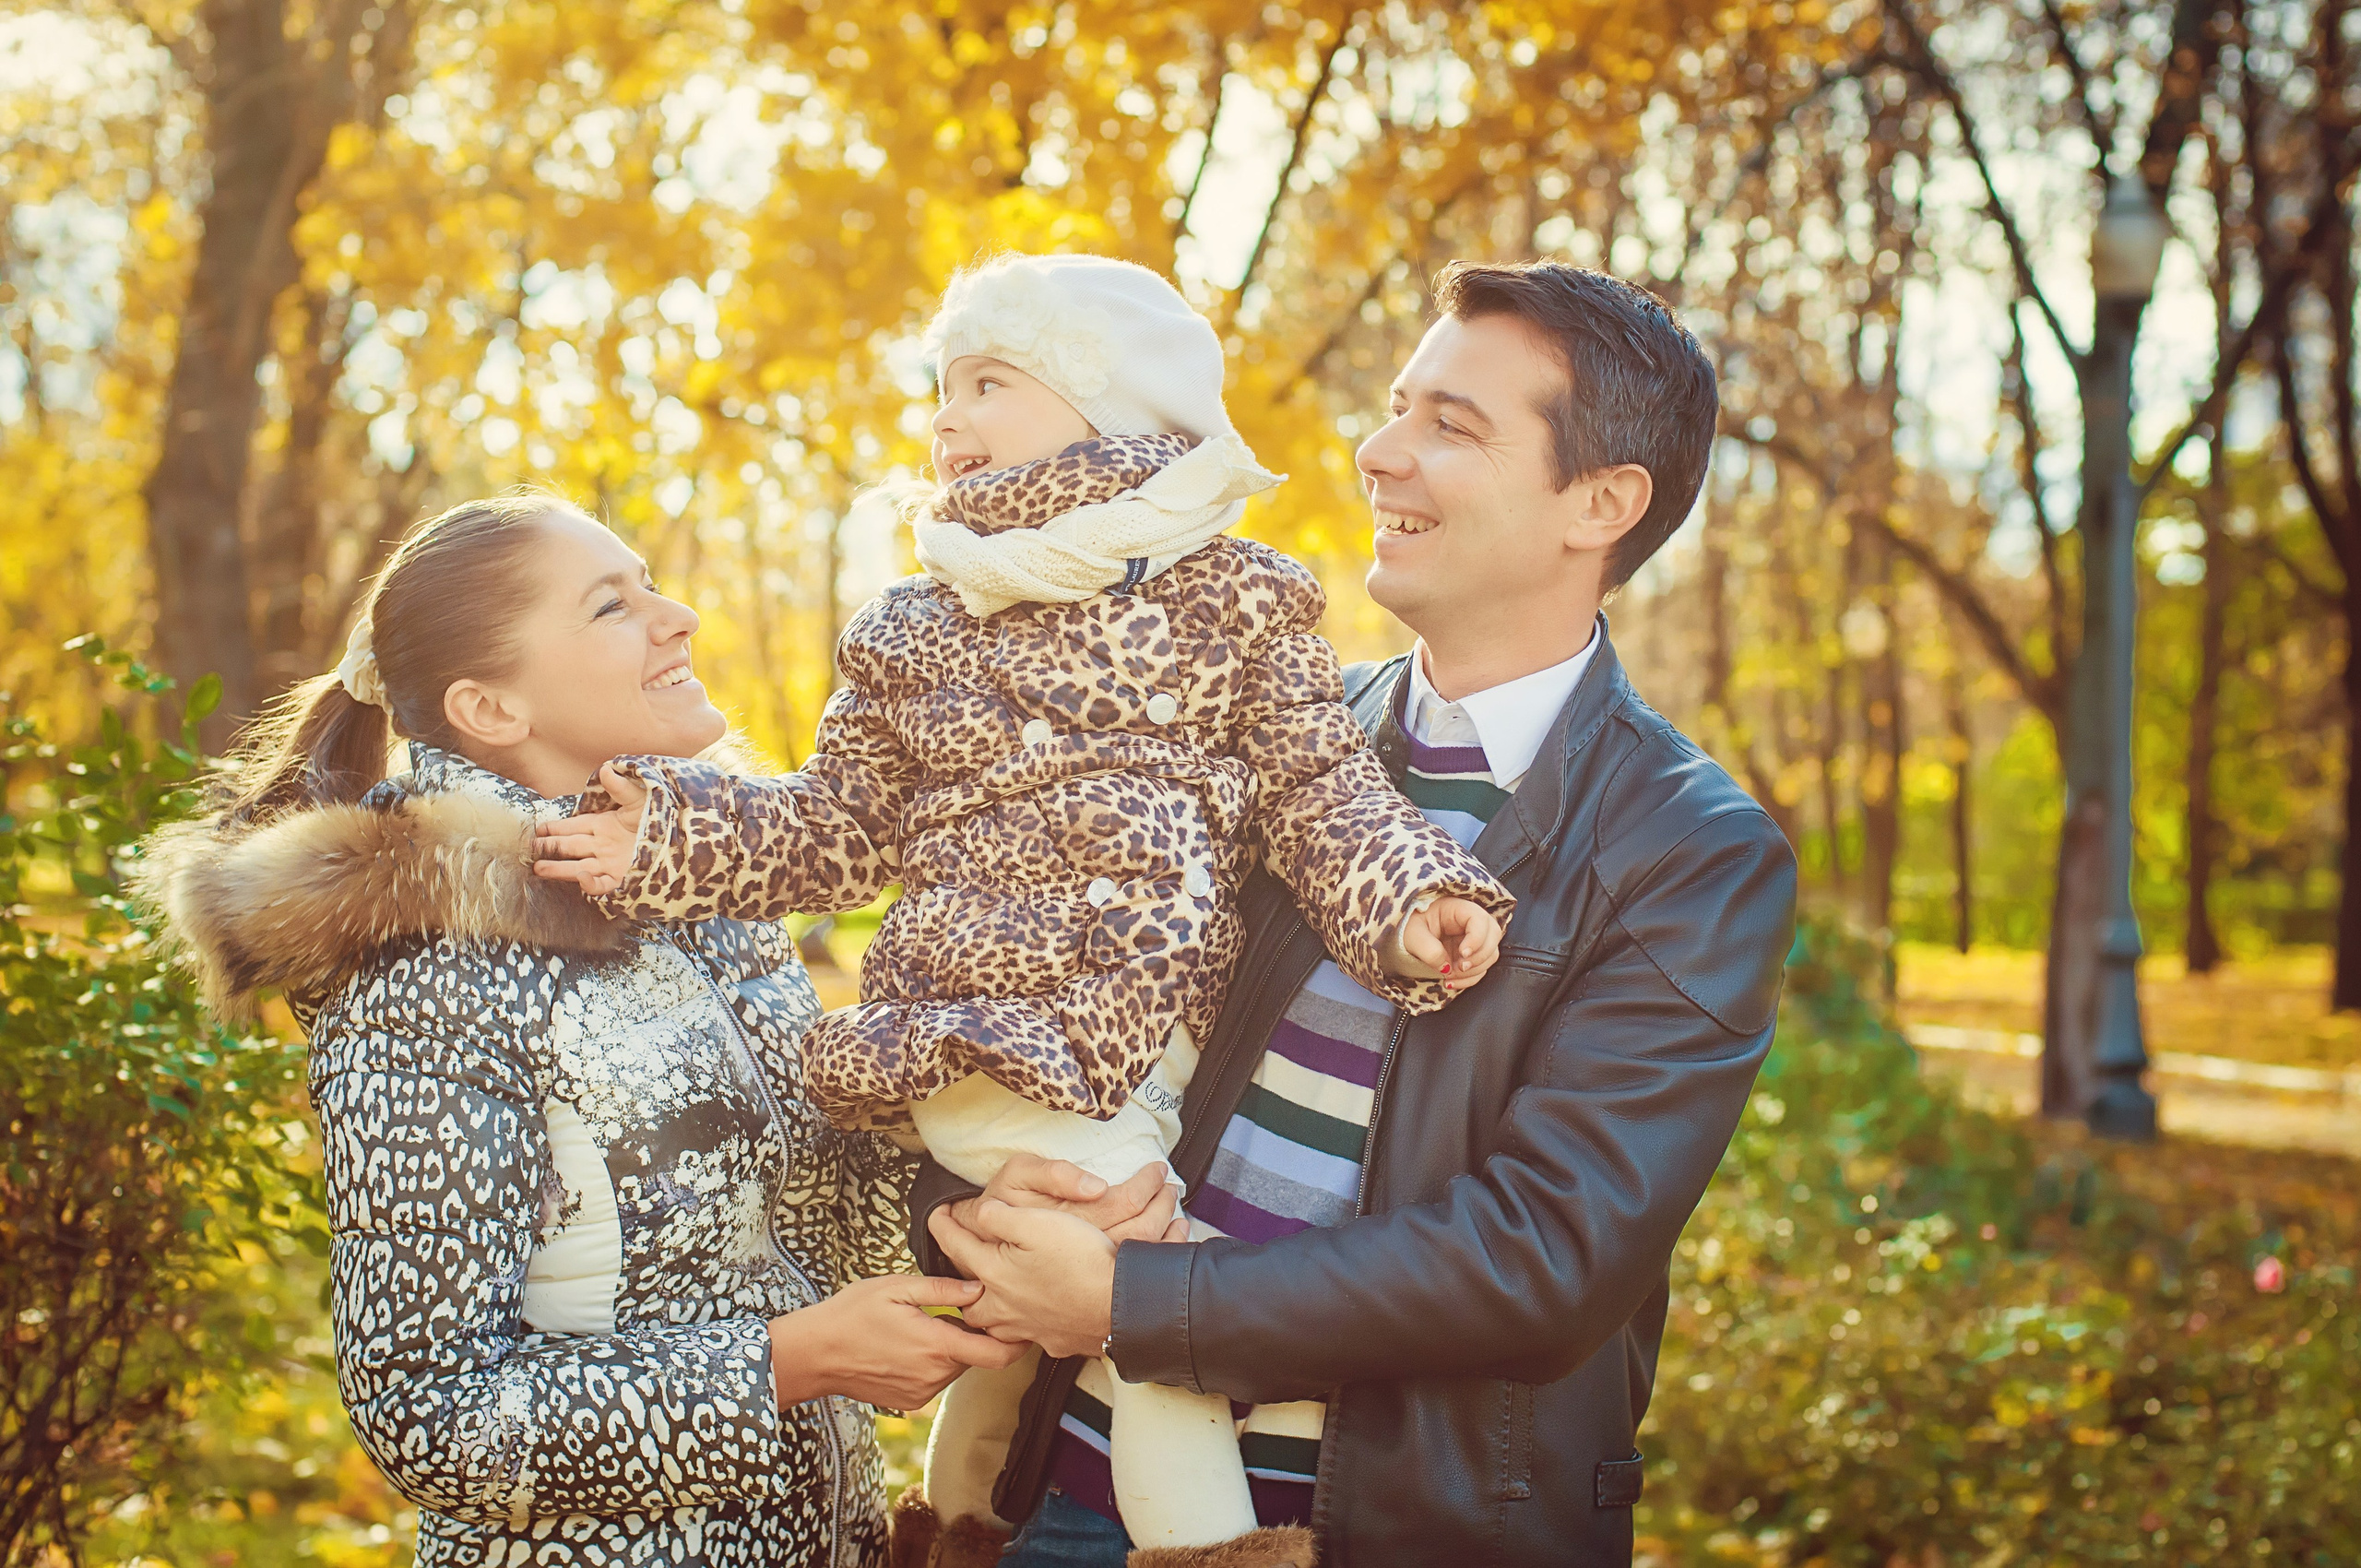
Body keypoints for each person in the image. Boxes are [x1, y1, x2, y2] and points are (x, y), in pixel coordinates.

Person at [528, 254, 1516, 1568]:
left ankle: (961, 1526)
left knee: (1020, 1309)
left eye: (988, 382)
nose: (948, 419)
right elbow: (835, 827)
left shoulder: (1241, 604)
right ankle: (1210, 1547)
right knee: (1139, 1312)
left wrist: (1408, 901)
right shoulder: (921, 629)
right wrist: (673, 833)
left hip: (1151, 1041)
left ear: (1112, 410)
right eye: (942, 391)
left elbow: (1320, 791)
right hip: (987, 1029)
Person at [919, 260, 1801, 1567]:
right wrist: (970, 1196)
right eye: (1399, 408)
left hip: (1385, 1529)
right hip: (1067, 1495)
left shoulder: (1694, 852)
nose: (1378, 452)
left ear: (1602, 503)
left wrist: (1136, 1301)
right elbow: (1032, 999)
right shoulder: (1263, 729)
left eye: (1452, 426)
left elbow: (1545, 1257)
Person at [136, 493, 1034, 1566]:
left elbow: (790, 1206)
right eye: (614, 605)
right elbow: (431, 1413)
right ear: (491, 706)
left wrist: (976, 1208)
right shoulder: (429, 965)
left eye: (651, 581)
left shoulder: (707, 886)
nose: (681, 615)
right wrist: (788, 1364)